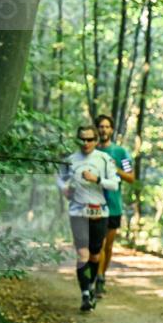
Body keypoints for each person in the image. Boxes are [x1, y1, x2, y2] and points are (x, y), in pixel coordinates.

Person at [57, 125, 119, 311]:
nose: (86, 143)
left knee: (95, 255)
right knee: (82, 254)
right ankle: (85, 294)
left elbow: (115, 184)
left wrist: (97, 179)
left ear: (96, 140)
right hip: (78, 212)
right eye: (82, 139)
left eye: (90, 139)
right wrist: (64, 189)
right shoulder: (71, 159)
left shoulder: (104, 159)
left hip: (99, 211)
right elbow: (60, 178)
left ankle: (90, 286)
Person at [93, 114, 135, 296]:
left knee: (108, 247)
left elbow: (131, 177)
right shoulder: (90, 151)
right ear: (96, 129)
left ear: (111, 130)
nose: (103, 130)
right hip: (94, 205)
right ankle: (97, 278)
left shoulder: (121, 153)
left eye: (107, 127)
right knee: (98, 245)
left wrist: (115, 169)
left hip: (113, 206)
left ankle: (101, 276)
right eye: (100, 127)